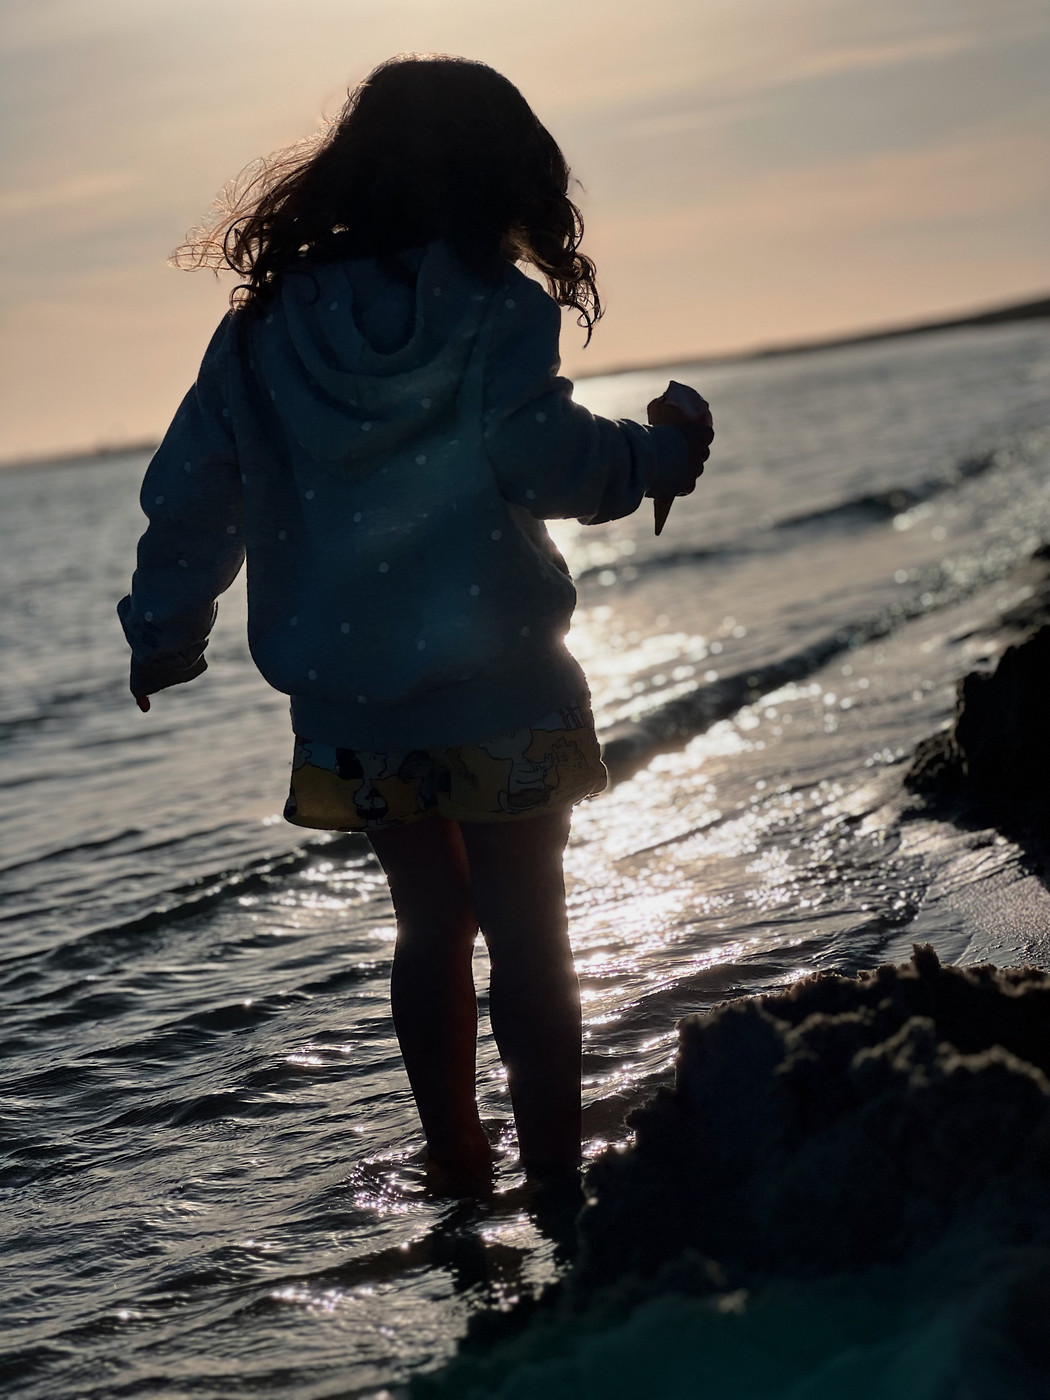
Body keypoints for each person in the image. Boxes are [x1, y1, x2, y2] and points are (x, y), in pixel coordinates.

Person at [118, 55, 713, 1194]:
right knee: (529, 927)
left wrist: (163, 622)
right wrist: (659, 454)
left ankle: (456, 1161)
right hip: (502, 687)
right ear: (503, 176)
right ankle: (553, 1177)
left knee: (428, 924)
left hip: (352, 704)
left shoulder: (258, 335)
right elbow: (549, 462)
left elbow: (197, 486)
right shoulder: (495, 307)